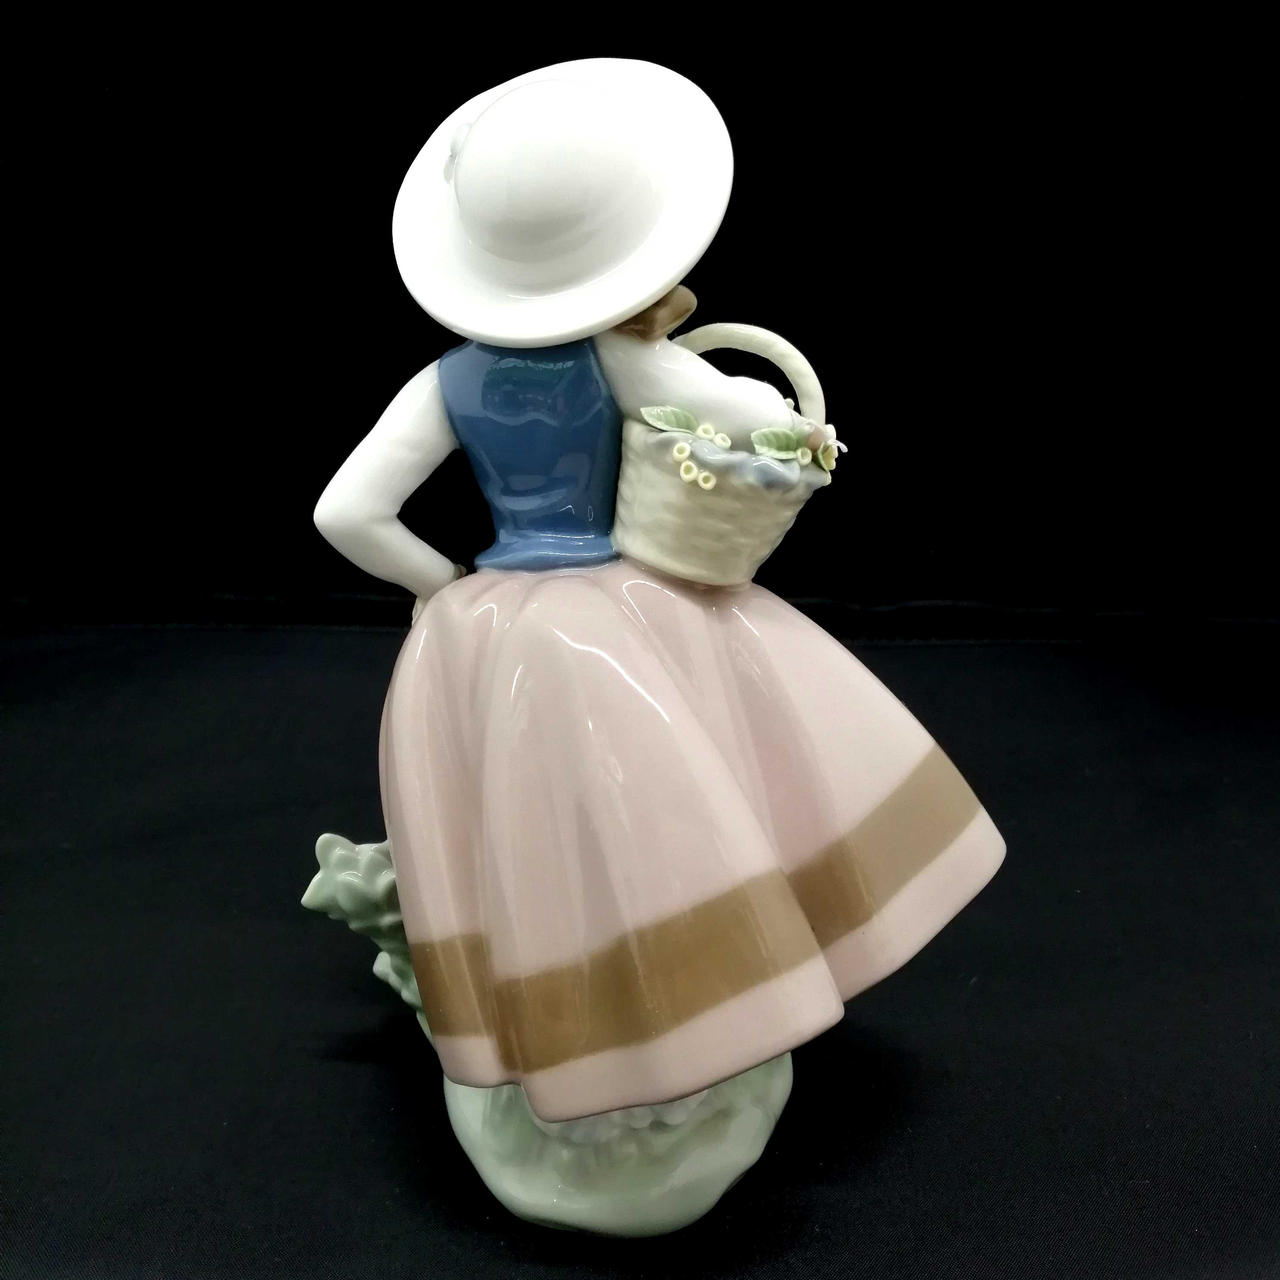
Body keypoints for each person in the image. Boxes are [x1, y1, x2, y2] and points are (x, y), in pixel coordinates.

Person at [314, 58, 1005, 1128]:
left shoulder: (442, 383)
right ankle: (704, 1005)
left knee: (536, 834)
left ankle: (579, 1031)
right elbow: (749, 419)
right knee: (683, 797)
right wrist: (744, 395)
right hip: (621, 599)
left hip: (488, 617)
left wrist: (440, 584)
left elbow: (346, 513)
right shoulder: (619, 360)